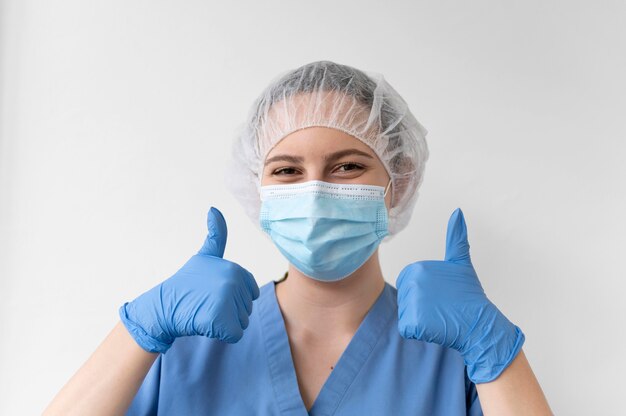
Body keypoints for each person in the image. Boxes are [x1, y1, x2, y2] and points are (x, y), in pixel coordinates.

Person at [44, 60, 553, 415]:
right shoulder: (186, 347)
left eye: (348, 166)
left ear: (397, 181)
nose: (314, 192)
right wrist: (137, 329)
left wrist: (496, 348)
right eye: (287, 171)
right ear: (257, 187)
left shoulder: (457, 357)